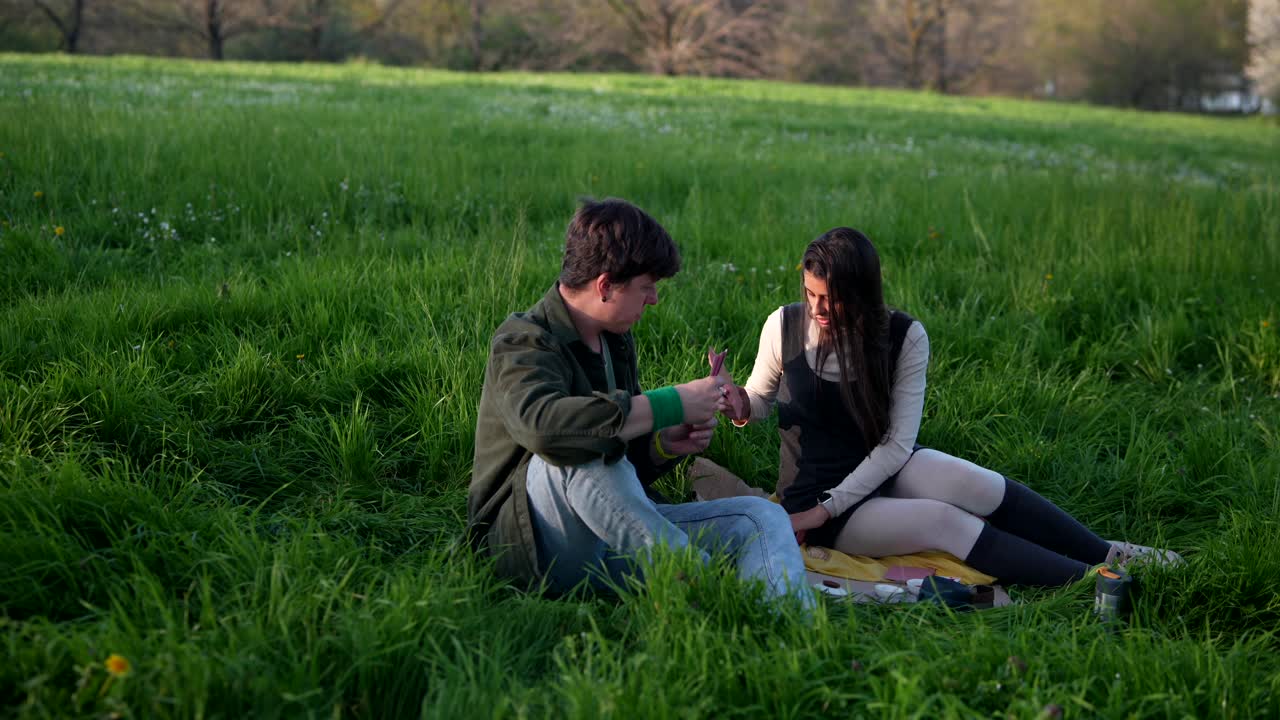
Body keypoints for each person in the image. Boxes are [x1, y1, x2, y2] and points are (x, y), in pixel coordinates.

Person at [723, 227, 1178, 586]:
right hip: (819, 500)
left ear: (861, 294)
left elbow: (897, 446)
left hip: (885, 467)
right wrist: (738, 402)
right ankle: (1096, 580)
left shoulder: (903, 337)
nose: (818, 308)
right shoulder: (783, 325)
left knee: (975, 483)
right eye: (811, 294)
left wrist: (827, 507)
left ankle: (1106, 551)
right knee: (944, 521)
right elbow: (760, 398)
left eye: (831, 298)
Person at [467, 198, 814, 606]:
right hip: (532, 551)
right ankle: (708, 592)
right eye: (646, 287)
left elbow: (616, 484)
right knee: (576, 451)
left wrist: (663, 443)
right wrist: (670, 403)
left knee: (761, 517)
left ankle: (783, 624)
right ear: (605, 285)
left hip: (614, 542)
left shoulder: (615, 340)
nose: (653, 300)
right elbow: (547, 430)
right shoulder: (522, 342)